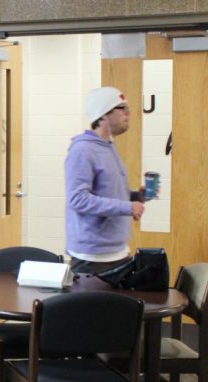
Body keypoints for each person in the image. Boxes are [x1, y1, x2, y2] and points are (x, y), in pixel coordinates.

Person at [64, 85, 149, 275]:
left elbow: (108, 192)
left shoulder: (107, 147)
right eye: (122, 108)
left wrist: (136, 196)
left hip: (117, 252)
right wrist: (127, 207)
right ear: (102, 114)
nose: (128, 113)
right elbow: (78, 199)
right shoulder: (83, 150)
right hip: (93, 258)